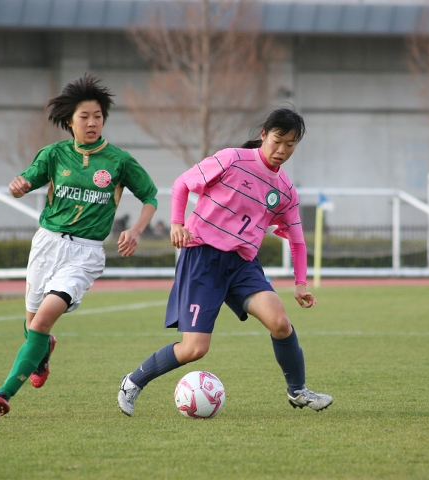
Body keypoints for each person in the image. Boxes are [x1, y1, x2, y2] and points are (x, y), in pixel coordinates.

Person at [117, 108, 333, 416]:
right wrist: (177, 223)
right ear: (264, 135)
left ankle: (297, 391)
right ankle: (132, 381)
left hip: (242, 264)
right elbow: (181, 184)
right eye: (277, 140)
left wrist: (300, 285)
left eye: (291, 144)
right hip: (203, 256)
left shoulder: (285, 190)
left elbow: (297, 240)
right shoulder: (232, 158)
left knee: (280, 323)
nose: (282, 150)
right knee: (195, 349)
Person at [0, 74, 158, 417]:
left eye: (97, 116)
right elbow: (25, 180)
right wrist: (18, 186)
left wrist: (137, 230)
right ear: (70, 121)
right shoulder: (53, 154)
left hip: (85, 253)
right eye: (85, 116)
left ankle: (4, 393)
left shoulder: (118, 161)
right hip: (46, 245)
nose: (92, 122)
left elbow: (150, 196)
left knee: (39, 323)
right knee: (32, 326)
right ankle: (43, 352)